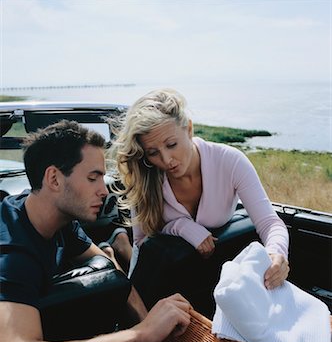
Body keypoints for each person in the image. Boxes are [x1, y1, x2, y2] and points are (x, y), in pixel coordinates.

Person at [0, 120, 191, 342]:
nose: (105, 190)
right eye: (93, 178)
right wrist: (140, 335)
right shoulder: (12, 252)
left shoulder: (60, 222)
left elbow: (110, 274)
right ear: (54, 179)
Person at [112, 88, 290, 290]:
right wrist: (181, 227)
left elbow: (269, 222)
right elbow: (143, 244)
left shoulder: (230, 161)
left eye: (171, 144)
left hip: (214, 278)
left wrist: (277, 252)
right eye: (153, 153)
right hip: (164, 282)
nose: (166, 160)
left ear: (189, 129)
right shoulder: (145, 176)